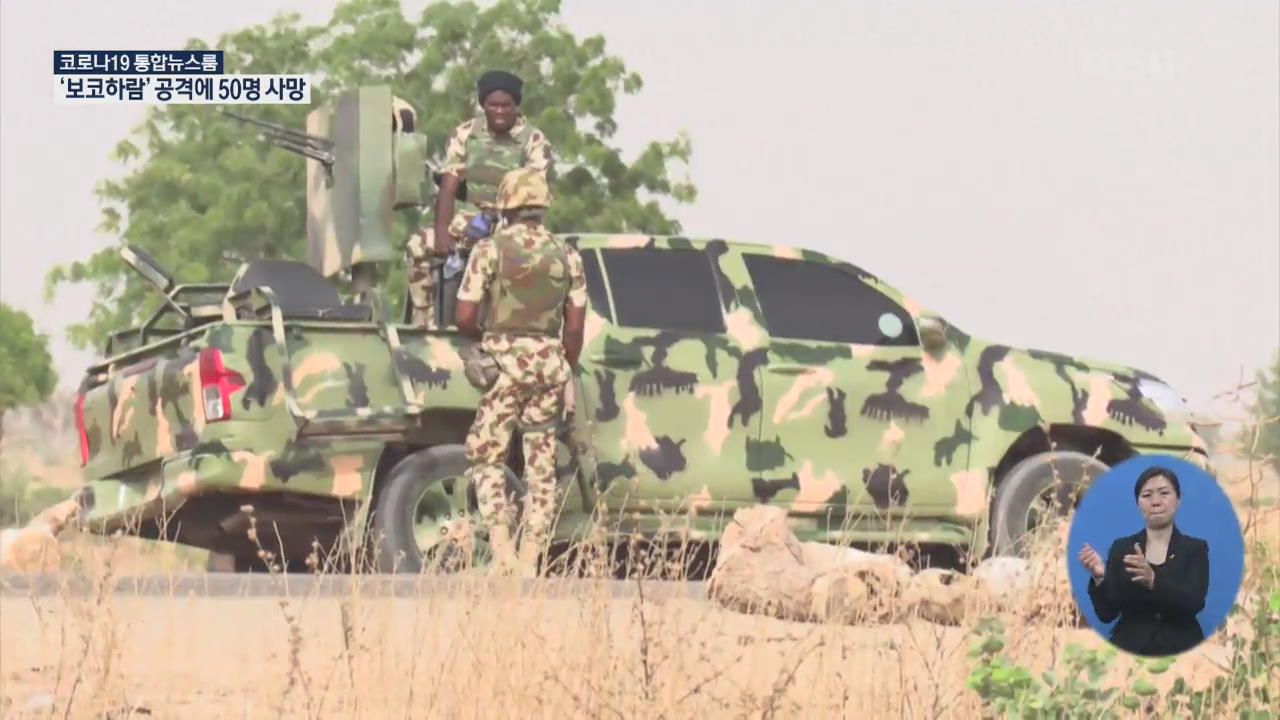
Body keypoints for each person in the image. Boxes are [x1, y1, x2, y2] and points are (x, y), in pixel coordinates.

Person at [454, 167, 585, 577]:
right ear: (542, 204)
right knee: (541, 463)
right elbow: (576, 325)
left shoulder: (490, 250)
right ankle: (532, 557)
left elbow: (464, 315)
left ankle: (502, 552)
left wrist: (488, 338)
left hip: (503, 366)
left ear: (507, 204)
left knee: (488, 456)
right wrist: (565, 367)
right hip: (549, 365)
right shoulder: (567, 253)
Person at [405, 69, 554, 329]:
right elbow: (449, 182)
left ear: (515, 106)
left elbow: (533, 195)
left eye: (506, 105)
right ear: (483, 104)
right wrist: (442, 231)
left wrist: (495, 222)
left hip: (514, 219)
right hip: (469, 216)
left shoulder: (534, 140)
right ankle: (423, 326)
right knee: (418, 245)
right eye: (493, 105)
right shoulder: (466, 134)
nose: (499, 111)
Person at [1077, 466, 1211, 656]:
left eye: (1164, 493)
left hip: (1180, 647)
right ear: (1138, 503)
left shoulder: (1195, 549)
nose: (1155, 502)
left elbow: (1194, 603)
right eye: (1146, 495)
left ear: (1178, 500)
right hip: (1129, 648)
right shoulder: (1122, 548)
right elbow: (1107, 614)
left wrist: (1154, 581)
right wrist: (1100, 577)